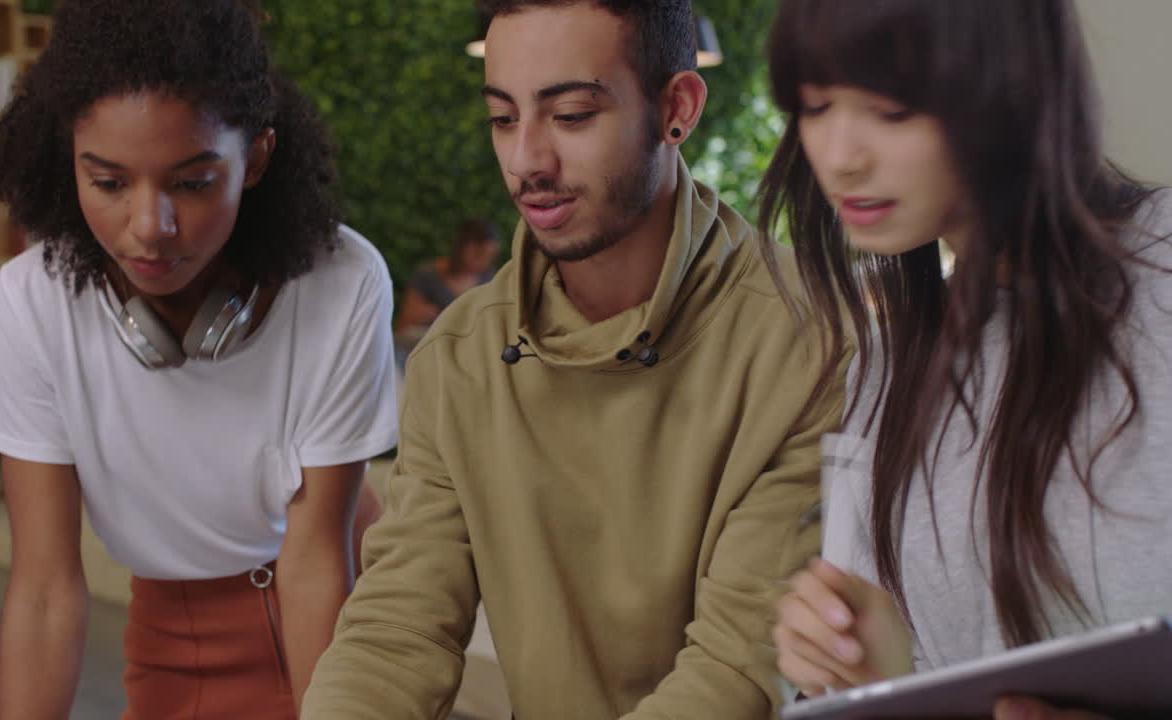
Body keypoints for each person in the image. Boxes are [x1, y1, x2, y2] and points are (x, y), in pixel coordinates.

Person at [301, 1, 849, 718]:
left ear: (677, 108)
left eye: (572, 115)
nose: (527, 159)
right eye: (503, 117)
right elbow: (397, 630)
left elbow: (738, 670)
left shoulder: (806, 337)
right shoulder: (461, 356)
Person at [0, 1, 399, 717]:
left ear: (255, 157)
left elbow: (317, 559)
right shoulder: (32, 301)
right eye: (108, 183)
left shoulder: (343, 283)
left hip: (344, 620)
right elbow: (45, 592)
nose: (149, 229)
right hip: (172, 637)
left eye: (192, 182)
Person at [758, 1, 1172, 718]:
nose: (839, 156)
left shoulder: (1159, 278)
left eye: (890, 108)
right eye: (816, 106)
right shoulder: (884, 375)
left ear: (1012, 84)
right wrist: (868, 674)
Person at [393, 218, 501, 367]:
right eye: (478, 254)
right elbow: (403, 327)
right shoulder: (428, 275)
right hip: (426, 352)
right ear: (462, 248)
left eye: (488, 257)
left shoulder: (489, 278)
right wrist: (423, 316)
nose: (483, 262)